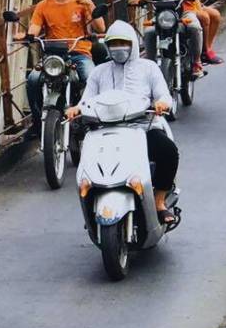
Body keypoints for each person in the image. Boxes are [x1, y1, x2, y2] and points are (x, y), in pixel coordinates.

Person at [64, 21, 181, 225]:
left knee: (168, 152)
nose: (118, 48)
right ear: (107, 46)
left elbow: (164, 94)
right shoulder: (99, 71)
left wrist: (162, 103)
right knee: (88, 168)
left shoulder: (149, 67)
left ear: (133, 44)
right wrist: (76, 109)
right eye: (114, 43)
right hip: (104, 130)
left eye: (123, 43)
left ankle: (159, 202)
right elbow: (86, 99)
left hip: (142, 127)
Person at [18, 0, 106, 133]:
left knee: (90, 77)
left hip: (79, 52)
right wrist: (27, 36)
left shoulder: (81, 2)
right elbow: (34, 28)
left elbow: (101, 27)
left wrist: (89, 4)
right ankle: (37, 122)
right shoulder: (43, 6)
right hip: (54, 56)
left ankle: (94, 116)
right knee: (33, 81)